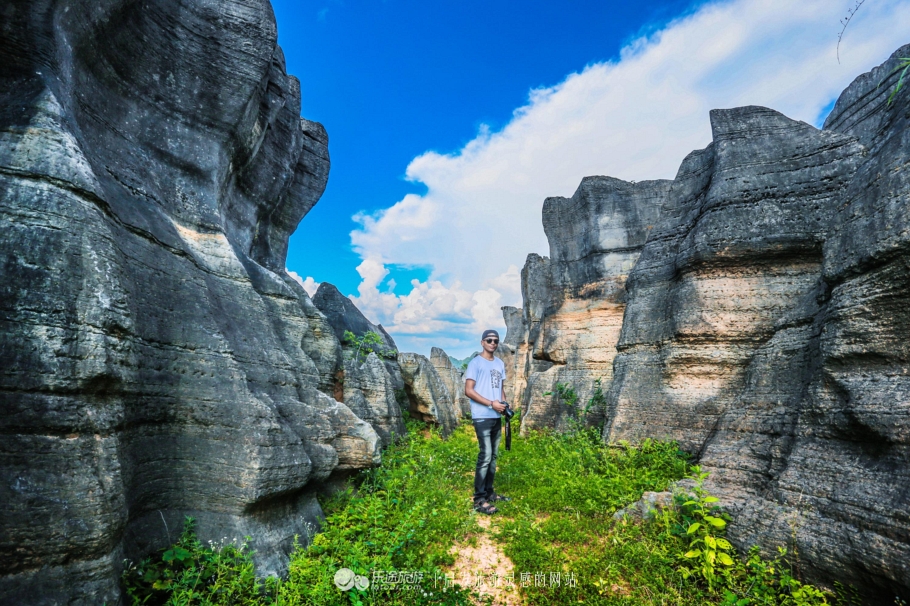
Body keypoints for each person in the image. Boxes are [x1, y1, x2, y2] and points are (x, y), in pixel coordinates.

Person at [464, 329, 512, 515]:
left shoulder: (499, 364)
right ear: (482, 342)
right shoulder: (475, 363)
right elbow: (469, 390)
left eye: (496, 341)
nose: (493, 343)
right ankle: (479, 499)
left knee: (493, 458)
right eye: (489, 340)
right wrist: (491, 404)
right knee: (485, 456)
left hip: (496, 417)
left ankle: (490, 493)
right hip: (482, 415)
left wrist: (504, 405)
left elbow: (500, 389)